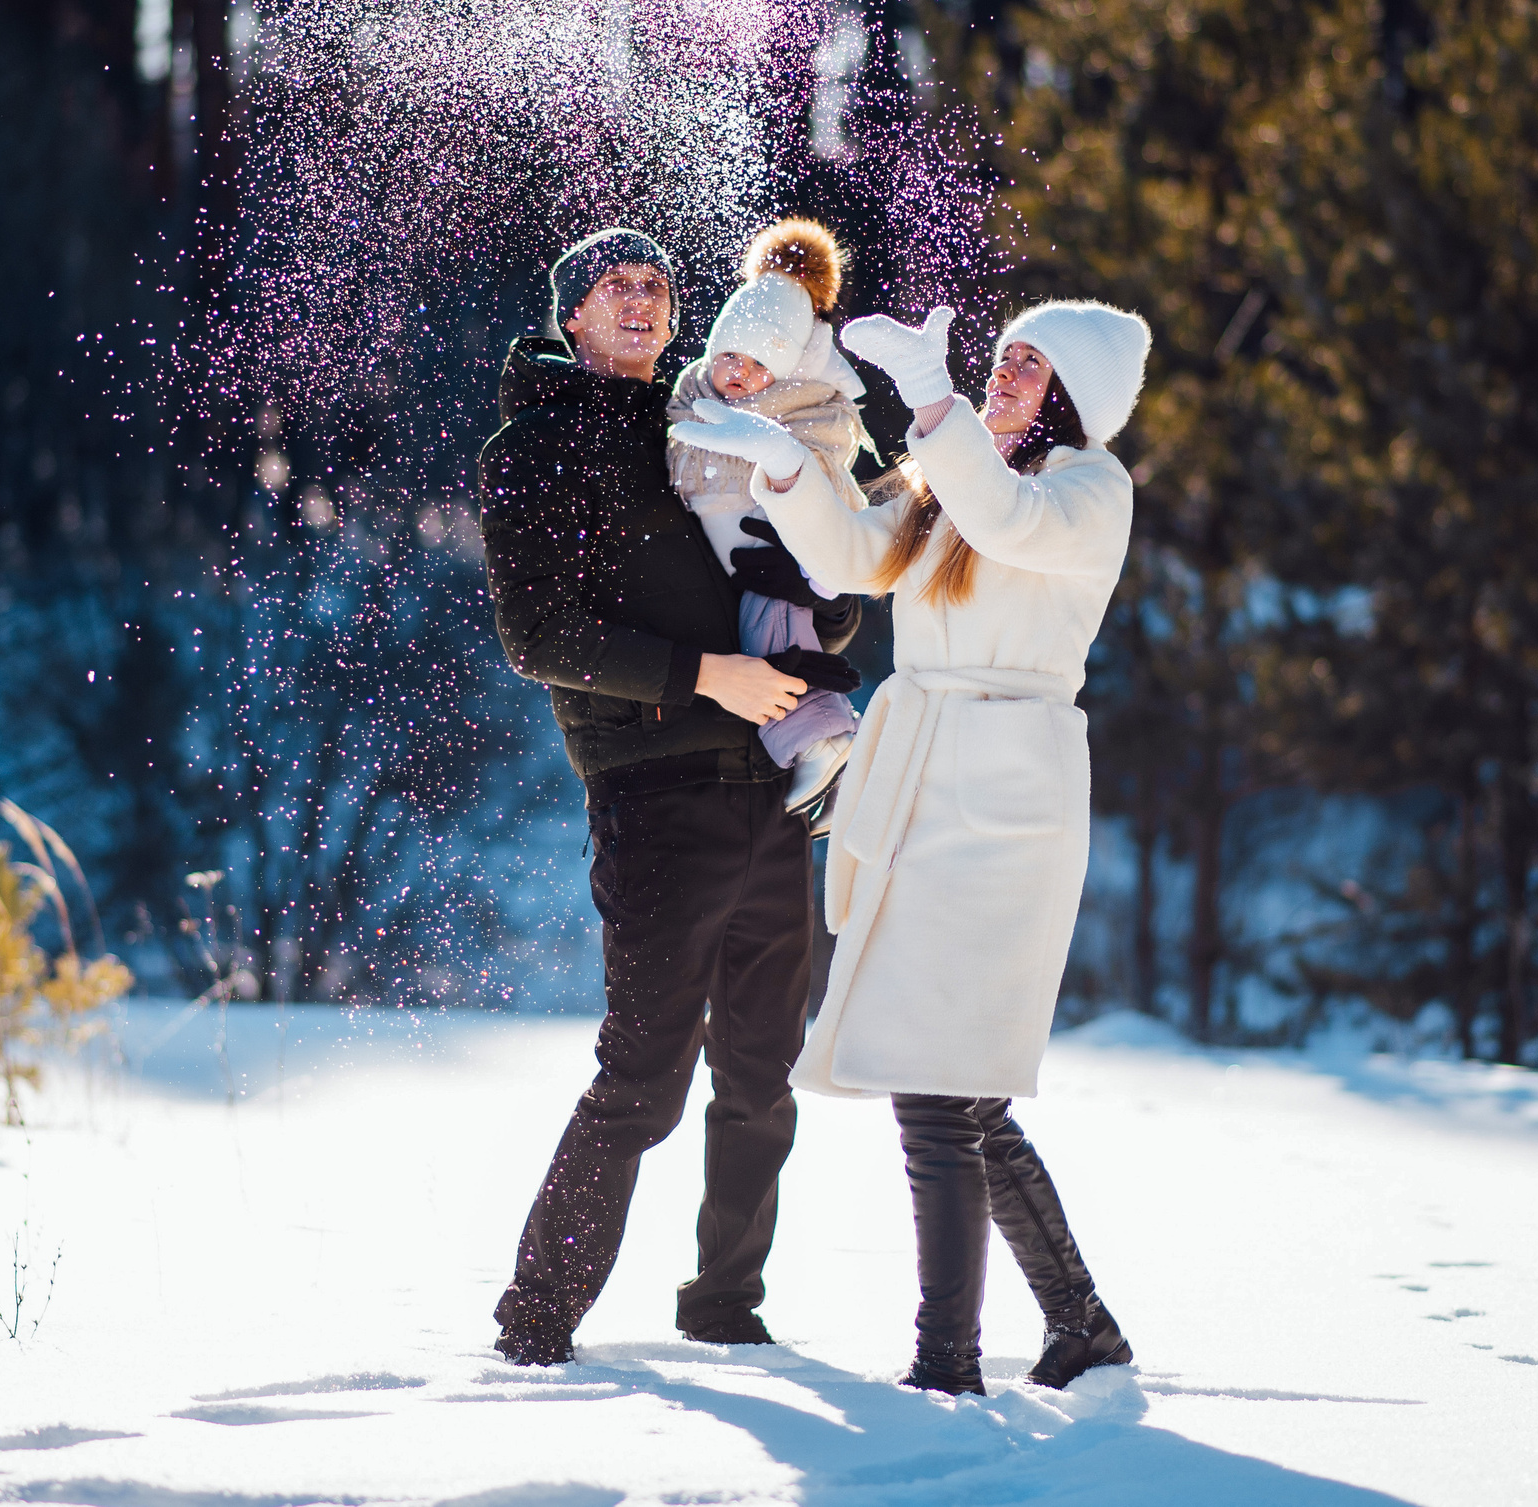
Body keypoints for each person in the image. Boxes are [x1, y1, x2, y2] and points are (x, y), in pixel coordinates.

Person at [671, 296, 1150, 1397]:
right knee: (959, 1087)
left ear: (1077, 396)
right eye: (1003, 360)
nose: (1007, 375)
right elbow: (848, 555)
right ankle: (1081, 1327)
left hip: (1004, 798)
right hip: (927, 781)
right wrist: (780, 465)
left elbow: (1008, 523)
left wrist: (934, 403)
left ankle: (946, 1367)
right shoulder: (951, 478)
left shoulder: (1086, 491)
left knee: (936, 1086)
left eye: (1031, 367)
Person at [476, 225, 864, 1367]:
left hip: (773, 783)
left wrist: (829, 610)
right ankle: (535, 1325)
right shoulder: (534, 445)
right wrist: (707, 677)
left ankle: (727, 1315)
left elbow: (796, 553)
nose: (641, 299)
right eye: (614, 284)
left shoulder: (709, 420)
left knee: (762, 1073)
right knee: (644, 1076)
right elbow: (534, 635)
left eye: (658, 284)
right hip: (653, 788)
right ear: (573, 315)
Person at [663, 217, 875, 818]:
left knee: (774, 640)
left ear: (782, 371)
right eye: (730, 355)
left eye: (760, 366)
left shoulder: (802, 403)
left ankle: (825, 743)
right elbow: (677, 426)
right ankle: (837, 764)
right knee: (767, 647)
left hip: (774, 545)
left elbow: (827, 457)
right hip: (723, 543)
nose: (741, 374)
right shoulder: (692, 387)